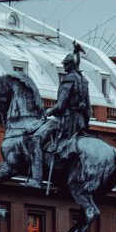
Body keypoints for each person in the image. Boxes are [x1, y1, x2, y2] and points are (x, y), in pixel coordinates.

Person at [27, 42, 90, 188]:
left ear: (71, 65)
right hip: (79, 122)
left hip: (65, 120)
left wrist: (47, 111)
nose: (64, 67)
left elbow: (60, 105)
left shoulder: (68, 79)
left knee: (35, 138)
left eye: (66, 64)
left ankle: (36, 179)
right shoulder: (84, 81)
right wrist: (85, 125)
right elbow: (88, 107)